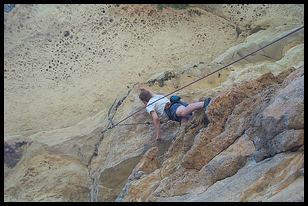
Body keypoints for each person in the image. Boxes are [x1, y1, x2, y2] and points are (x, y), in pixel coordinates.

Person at [139, 88, 211, 141]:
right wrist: (143, 89)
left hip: (172, 108)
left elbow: (156, 118)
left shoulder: (149, 105)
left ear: (144, 101)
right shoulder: (156, 96)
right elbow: (149, 92)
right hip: (175, 109)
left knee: (183, 112)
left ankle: (205, 103)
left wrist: (158, 136)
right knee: (184, 128)